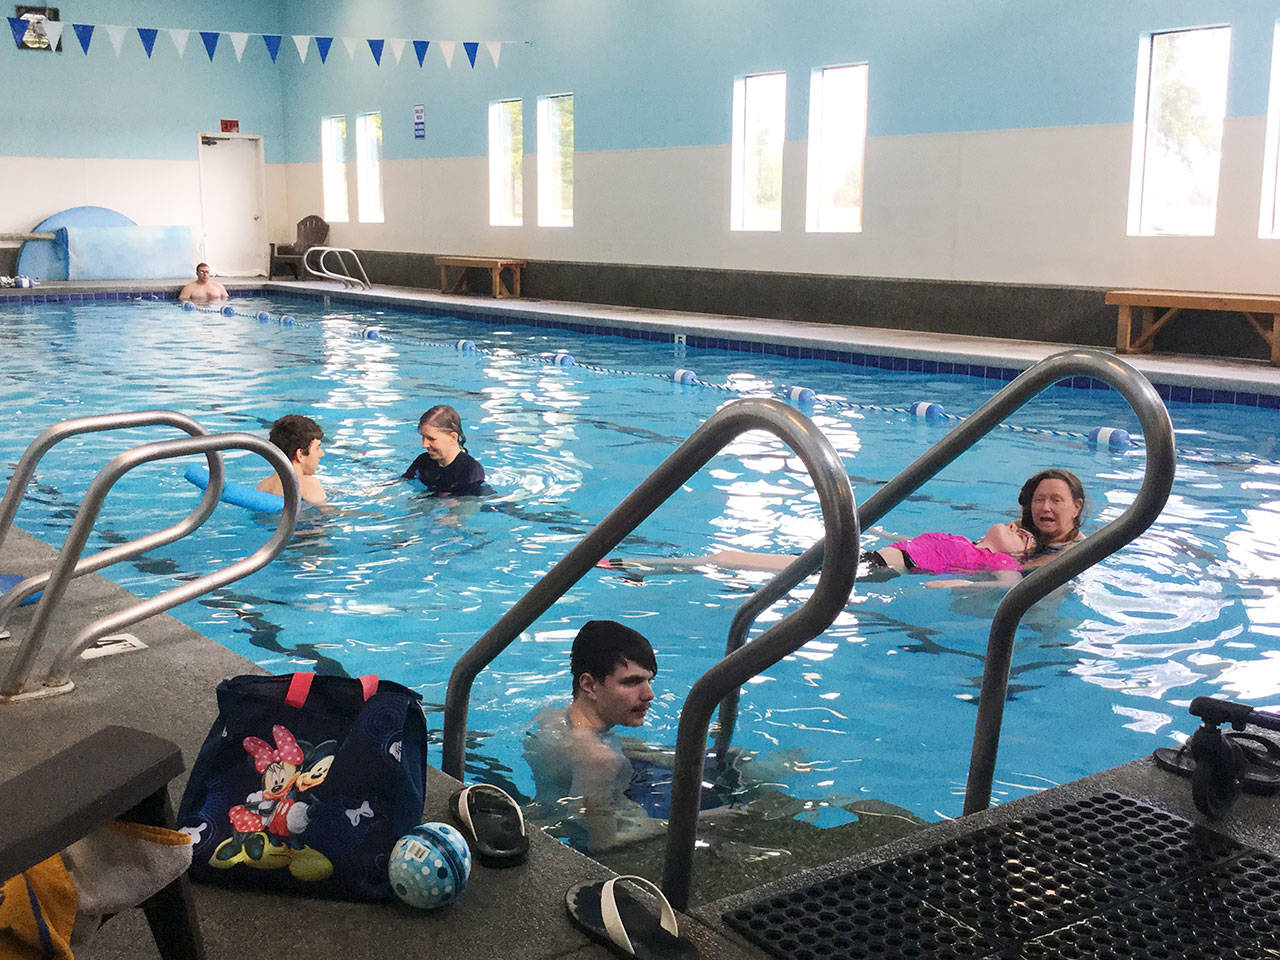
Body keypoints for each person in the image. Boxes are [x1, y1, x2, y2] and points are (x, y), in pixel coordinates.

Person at [597, 468, 1088, 581]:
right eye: (1037, 501)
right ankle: (660, 564)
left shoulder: (1018, 556)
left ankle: (655, 564)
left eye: (1056, 500)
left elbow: (1001, 589)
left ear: (1076, 507)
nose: (1041, 510)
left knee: (742, 562)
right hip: (881, 558)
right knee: (763, 565)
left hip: (880, 568)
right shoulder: (994, 543)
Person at [523, 620, 667, 853]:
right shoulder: (601, 760)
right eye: (632, 682)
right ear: (589, 685)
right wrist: (703, 823)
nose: (649, 694)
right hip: (584, 838)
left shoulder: (551, 718)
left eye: (649, 680)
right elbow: (602, 842)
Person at [401, 405, 486, 496]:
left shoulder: (470, 471)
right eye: (423, 437)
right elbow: (402, 480)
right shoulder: (423, 461)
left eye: (431, 439)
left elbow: (465, 505)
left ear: (452, 437)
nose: (424, 444)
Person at [257, 414, 326, 505]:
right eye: (317, 448)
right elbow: (330, 514)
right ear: (300, 454)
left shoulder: (262, 486)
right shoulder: (308, 484)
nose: (322, 454)